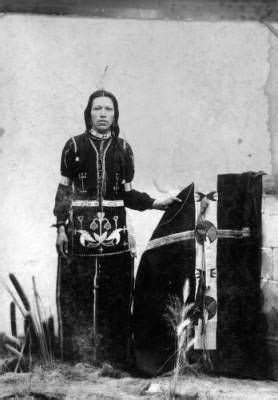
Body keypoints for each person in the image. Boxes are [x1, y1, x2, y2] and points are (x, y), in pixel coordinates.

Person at [53, 89, 180, 367]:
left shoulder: (124, 149)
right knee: (76, 294)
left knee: (117, 296)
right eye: (97, 109)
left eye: (108, 109)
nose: (102, 114)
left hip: (115, 235)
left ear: (115, 114)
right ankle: (77, 360)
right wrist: (60, 227)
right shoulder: (73, 146)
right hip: (79, 235)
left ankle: (114, 360)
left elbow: (129, 195)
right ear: (89, 113)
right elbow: (63, 192)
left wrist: (158, 202)